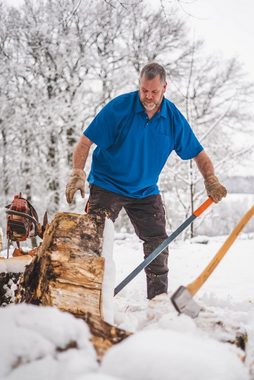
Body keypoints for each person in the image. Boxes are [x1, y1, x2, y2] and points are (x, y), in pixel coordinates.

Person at [65, 62, 227, 300]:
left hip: (144, 190)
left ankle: (157, 301)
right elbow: (85, 141)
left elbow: (198, 153)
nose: (148, 96)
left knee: (158, 245)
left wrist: (210, 179)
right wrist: (77, 173)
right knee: (94, 239)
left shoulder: (172, 118)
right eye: (144, 90)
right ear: (139, 86)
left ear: (164, 88)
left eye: (154, 91)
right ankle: (88, 296)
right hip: (107, 184)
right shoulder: (119, 108)